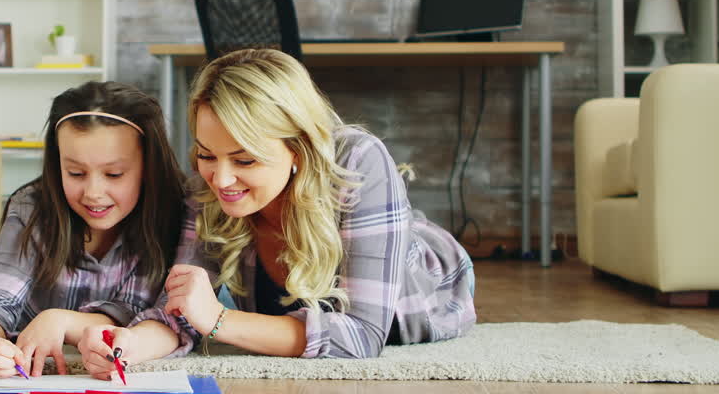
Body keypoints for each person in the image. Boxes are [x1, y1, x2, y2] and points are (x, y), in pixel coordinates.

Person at [78, 48, 476, 374]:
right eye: (205, 154)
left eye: (245, 160)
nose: (221, 179)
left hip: (429, 277)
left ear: (297, 149)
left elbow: (362, 335)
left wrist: (220, 320)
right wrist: (130, 345)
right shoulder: (210, 183)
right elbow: (182, 311)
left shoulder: (360, 158)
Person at [0, 81, 184, 377]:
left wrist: (60, 321)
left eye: (114, 174)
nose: (93, 192)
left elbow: (161, 320)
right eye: (75, 173)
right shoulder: (31, 207)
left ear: (149, 166)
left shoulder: (178, 214)